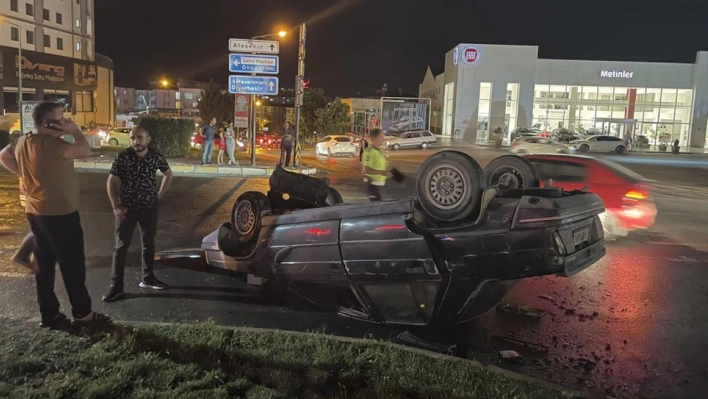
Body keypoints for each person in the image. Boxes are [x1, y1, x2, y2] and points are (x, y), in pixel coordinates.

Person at [0, 101, 107, 327]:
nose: (66, 121)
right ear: (49, 122)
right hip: (61, 215)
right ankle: (83, 315)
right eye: (62, 118)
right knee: (73, 267)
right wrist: (75, 131)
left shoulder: (22, 140)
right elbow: (85, 150)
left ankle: (49, 315)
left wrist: (25, 176)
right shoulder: (50, 144)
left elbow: (3, 156)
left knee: (44, 266)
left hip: (37, 213)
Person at [102, 126, 174, 302]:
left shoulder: (155, 156)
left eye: (140, 138)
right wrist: (116, 206)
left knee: (148, 244)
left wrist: (159, 196)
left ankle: (148, 278)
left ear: (148, 139)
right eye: (133, 138)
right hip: (127, 209)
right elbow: (111, 181)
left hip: (149, 208)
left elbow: (168, 174)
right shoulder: (123, 157)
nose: (136, 141)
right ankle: (116, 286)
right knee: (121, 247)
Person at [12, 177, 37, 273]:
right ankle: (22, 255)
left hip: (31, 189)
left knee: (38, 225)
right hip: (32, 190)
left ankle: (37, 262)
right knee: (39, 226)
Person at [361, 129, 391, 202]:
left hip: (380, 185)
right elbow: (366, 170)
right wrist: (383, 173)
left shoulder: (379, 150)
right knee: (376, 209)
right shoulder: (369, 152)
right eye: (381, 137)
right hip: (373, 186)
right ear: (374, 138)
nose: (383, 139)